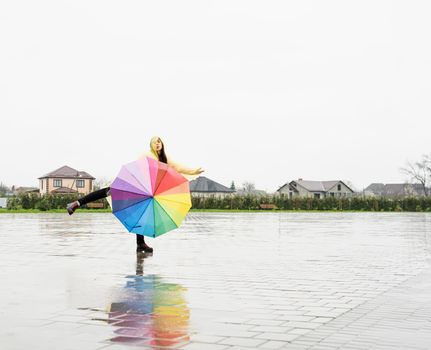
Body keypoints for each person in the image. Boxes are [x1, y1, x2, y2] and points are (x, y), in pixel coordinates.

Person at [66, 136, 204, 253]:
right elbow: (137, 168)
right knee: (107, 191)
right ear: (151, 144)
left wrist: (193, 171)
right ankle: (76, 203)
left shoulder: (164, 159)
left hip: (147, 189)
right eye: (155, 141)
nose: (157, 143)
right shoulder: (147, 155)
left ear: (162, 145)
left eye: (159, 142)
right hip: (135, 184)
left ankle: (140, 244)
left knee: (142, 210)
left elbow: (178, 167)